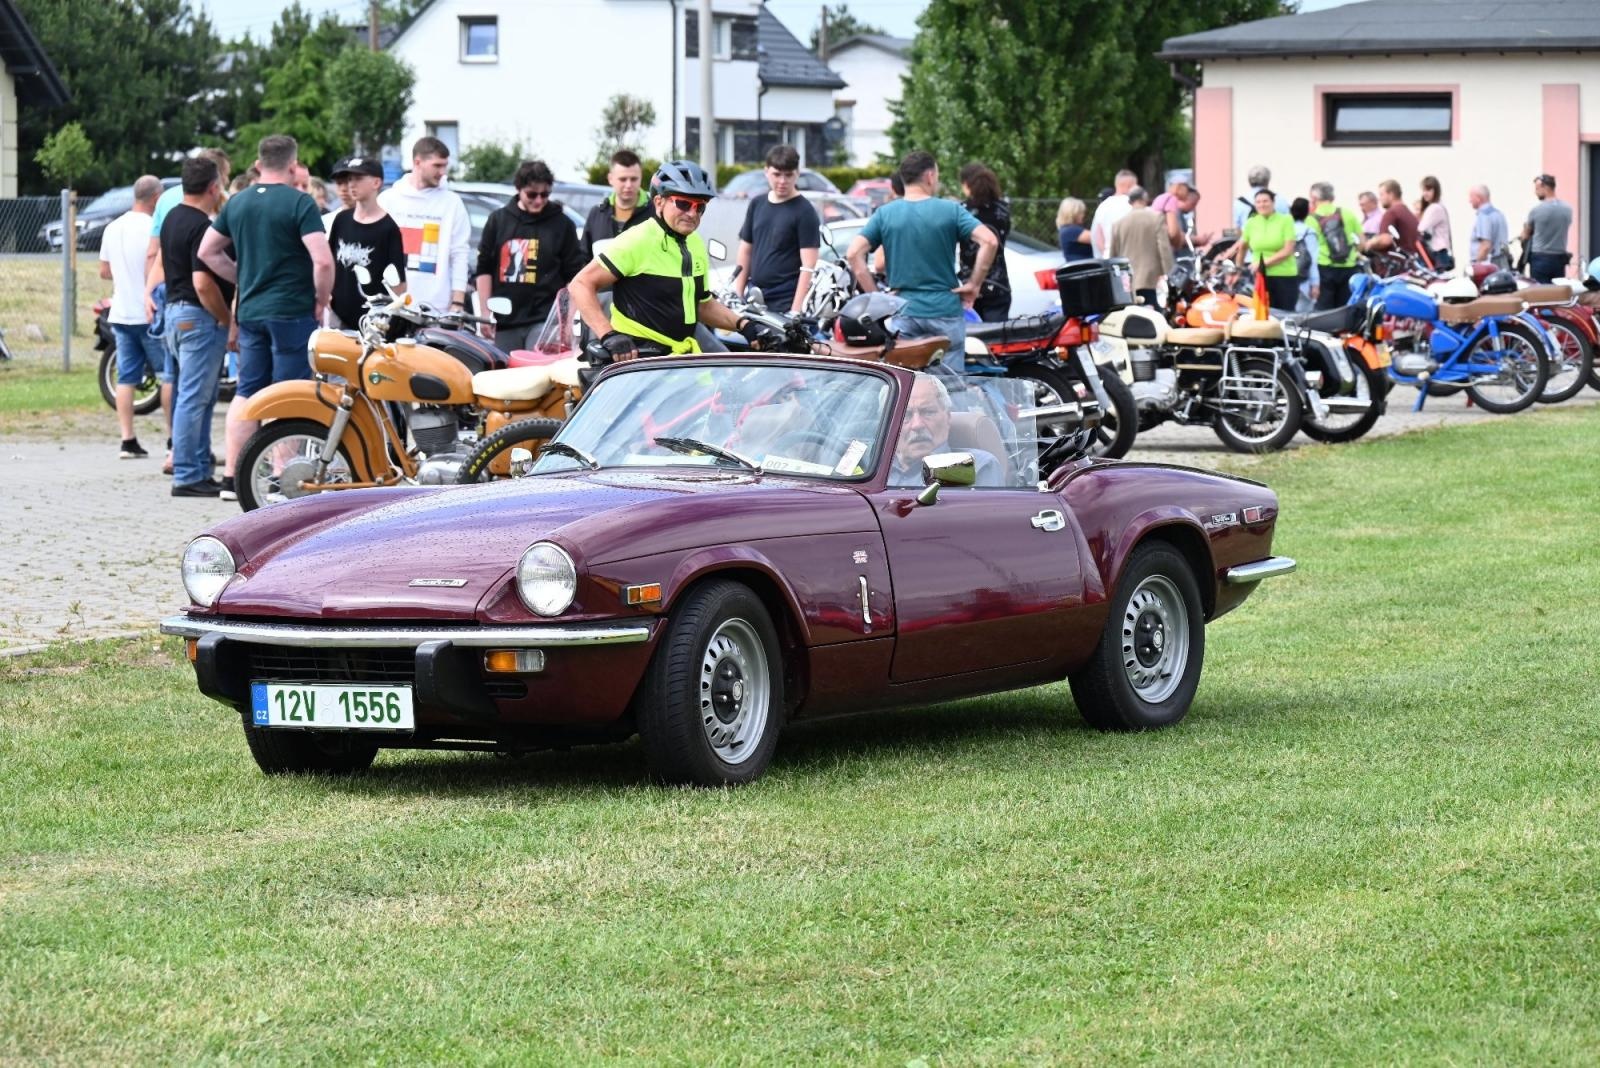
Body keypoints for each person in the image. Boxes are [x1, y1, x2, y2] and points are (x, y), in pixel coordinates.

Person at [199, 133, 333, 501]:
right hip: (291, 311)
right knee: (287, 394)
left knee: (247, 391)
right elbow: (322, 261)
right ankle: (279, 478)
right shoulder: (300, 203)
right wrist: (321, 299)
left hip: (251, 312)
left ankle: (232, 476)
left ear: (259, 164)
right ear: (293, 165)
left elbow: (207, 252)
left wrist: (241, 277)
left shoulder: (237, 203)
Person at [568, 160, 783, 359]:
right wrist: (608, 335)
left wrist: (744, 325)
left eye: (700, 207)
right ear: (659, 202)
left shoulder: (694, 243)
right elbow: (581, 284)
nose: (692, 213)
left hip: (679, 360)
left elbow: (702, 305)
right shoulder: (637, 239)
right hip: (639, 361)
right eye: (683, 204)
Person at [844, 150, 997, 367]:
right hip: (945, 310)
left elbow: (853, 253)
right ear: (930, 176)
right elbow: (989, 241)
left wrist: (877, 298)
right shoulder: (951, 210)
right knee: (948, 383)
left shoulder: (885, 214)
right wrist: (974, 284)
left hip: (904, 311)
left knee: (909, 381)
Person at [162, 157, 233, 497]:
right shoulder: (202, 226)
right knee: (194, 398)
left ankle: (198, 467)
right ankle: (188, 474)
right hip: (198, 316)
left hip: (174, 314)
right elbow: (203, 283)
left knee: (193, 396)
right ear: (213, 188)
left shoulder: (172, 218)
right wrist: (225, 317)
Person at [474, 159, 585, 350]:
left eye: (545, 194)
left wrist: (567, 322)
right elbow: (484, 268)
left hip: (544, 320)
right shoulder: (498, 220)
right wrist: (485, 313)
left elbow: (573, 276)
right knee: (504, 368)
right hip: (505, 320)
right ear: (519, 189)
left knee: (537, 368)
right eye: (532, 194)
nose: (539, 200)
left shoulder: (562, 224)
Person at [100, 174, 170, 459]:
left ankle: (127, 439)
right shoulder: (154, 228)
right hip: (150, 313)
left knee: (126, 378)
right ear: (156, 198)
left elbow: (104, 271)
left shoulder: (113, 227)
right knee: (167, 376)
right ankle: (173, 439)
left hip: (121, 313)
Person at [378, 136, 471, 315]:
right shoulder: (388, 200)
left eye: (445, 166)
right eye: (437, 165)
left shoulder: (452, 203)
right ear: (417, 162)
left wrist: (457, 302)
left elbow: (460, 254)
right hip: (392, 305)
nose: (443, 172)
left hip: (436, 308)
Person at [734, 144, 821, 314]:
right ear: (766, 171)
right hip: (754, 297)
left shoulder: (805, 210)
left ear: (797, 173)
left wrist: (795, 311)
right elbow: (746, 250)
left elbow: (808, 265)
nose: (782, 181)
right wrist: (738, 294)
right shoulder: (757, 203)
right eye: (777, 174)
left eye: (788, 175)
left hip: (785, 301)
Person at [326, 155, 408, 330]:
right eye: (349, 179)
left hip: (372, 320)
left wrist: (393, 316)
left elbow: (398, 283)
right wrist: (325, 293)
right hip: (338, 314)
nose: (351, 184)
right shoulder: (341, 220)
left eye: (358, 178)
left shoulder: (388, 228)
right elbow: (329, 261)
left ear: (376, 183)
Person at [888, 375, 1003, 487]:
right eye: (906, 415)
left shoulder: (975, 467)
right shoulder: (878, 469)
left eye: (928, 412)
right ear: (889, 424)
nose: (917, 425)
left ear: (947, 417)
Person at [1221, 189, 1298, 312]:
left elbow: (1287, 250)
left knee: (1285, 314)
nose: (1262, 204)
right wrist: (1238, 270)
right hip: (1261, 277)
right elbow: (1243, 247)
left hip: (1284, 276)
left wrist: (1263, 263)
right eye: (1258, 202)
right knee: (1262, 313)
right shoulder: (1251, 222)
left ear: (1273, 202)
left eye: (1265, 201)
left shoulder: (1286, 220)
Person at [958, 162, 1011, 322]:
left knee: (971, 336)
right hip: (998, 284)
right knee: (996, 334)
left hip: (968, 285)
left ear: (966, 184)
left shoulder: (962, 210)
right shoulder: (1004, 209)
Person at [581, 149, 654, 262]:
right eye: (623, 179)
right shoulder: (597, 213)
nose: (628, 185)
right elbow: (584, 259)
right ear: (610, 179)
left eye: (634, 179)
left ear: (641, 177)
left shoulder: (656, 212)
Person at [1107, 186, 1173, 309]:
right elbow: (1164, 248)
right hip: (1151, 278)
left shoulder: (1118, 224)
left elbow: (1113, 255)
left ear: (1130, 201)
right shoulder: (1156, 218)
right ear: (1145, 199)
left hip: (1127, 279)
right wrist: (1169, 274)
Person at [1308, 181, 1362, 310]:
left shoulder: (1311, 219)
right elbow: (1362, 243)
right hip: (1349, 267)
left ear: (1314, 198)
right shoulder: (1348, 213)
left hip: (1325, 267)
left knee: (1324, 311)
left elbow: (1310, 249)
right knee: (1345, 309)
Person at [1522, 174, 1572, 283]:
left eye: (1537, 189)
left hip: (1540, 257)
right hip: (1559, 257)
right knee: (1558, 290)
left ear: (1545, 187)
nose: (1535, 192)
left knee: (1541, 291)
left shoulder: (1536, 210)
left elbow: (1525, 235)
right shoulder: (1567, 209)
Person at [1362, 179, 1420, 256]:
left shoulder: (1391, 213)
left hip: (1398, 261)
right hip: (1412, 259)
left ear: (1391, 195)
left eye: (1381, 195)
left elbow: (1385, 240)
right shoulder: (1407, 212)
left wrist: (1370, 243)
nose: (1379, 199)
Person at [1088, 169, 1136, 258]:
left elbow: (1097, 237)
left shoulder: (1103, 206)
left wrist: (1106, 254)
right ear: (1129, 186)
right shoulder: (1133, 205)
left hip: (1109, 257)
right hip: (1131, 257)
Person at [1232, 165, 1290, 232]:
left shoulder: (1239, 202)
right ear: (1268, 180)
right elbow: (1288, 224)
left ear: (1249, 181)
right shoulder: (1280, 200)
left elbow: (1235, 229)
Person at [1287, 197, 1320, 312]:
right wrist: (1315, 284)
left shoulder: (1285, 229)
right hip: (1304, 279)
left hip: (1286, 276)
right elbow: (1313, 259)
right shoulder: (1308, 232)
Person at [1468, 185, 1510, 268]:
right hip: (1502, 263)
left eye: (1471, 197)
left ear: (1478, 198)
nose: (1469, 201)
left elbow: (1485, 246)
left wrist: (1476, 267)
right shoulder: (1499, 214)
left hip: (1488, 266)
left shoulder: (1484, 216)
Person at [1416, 176, 1453, 271]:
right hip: (1441, 252)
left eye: (1428, 190)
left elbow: (1421, 228)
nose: (1425, 193)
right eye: (1423, 190)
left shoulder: (1435, 208)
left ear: (1436, 190)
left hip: (1438, 253)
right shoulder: (1439, 206)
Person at [1151, 172, 1191, 249]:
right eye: (1187, 189)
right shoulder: (1171, 199)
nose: (1187, 193)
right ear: (1179, 187)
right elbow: (1173, 232)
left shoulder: (1161, 197)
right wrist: (1180, 238)